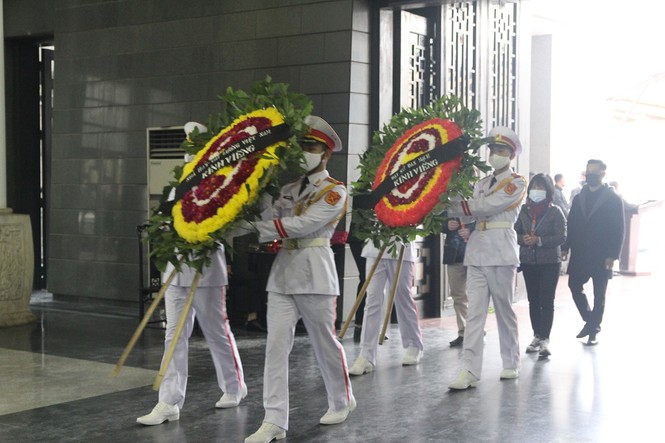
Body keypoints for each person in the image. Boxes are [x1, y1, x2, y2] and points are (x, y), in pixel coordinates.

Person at [244, 116, 355, 443]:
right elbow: (272, 218)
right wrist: (260, 191)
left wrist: (259, 229)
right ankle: (274, 419)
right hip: (282, 275)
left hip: (315, 273)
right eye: (303, 145)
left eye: (312, 146)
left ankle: (341, 399)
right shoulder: (289, 189)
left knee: (324, 343)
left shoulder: (335, 191)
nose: (305, 151)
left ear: (325, 154)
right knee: (275, 347)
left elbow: (303, 225)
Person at [446, 126, 527, 390]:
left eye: (501, 151)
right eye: (492, 150)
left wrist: (458, 207)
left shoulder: (517, 182)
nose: (495, 155)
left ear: (511, 155)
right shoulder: (481, 183)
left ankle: (511, 361)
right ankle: (469, 369)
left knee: (504, 310)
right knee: (475, 313)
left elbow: (486, 207)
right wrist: (451, 188)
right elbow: (469, 212)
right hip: (477, 250)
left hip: (501, 252)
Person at [136, 245, 247, 425]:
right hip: (175, 270)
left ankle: (234, 387)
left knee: (217, 333)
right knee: (173, 336)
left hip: (207, 270)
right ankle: (169, 401)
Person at [562, 159, 624, 346]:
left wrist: (613, 255)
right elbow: (571, 224)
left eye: (594, 172)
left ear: (603, 174)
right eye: (588, 171)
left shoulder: (613, 199)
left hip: (601, 254)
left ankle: (593, 331)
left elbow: (618, 229)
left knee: (599, 294)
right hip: (580, 252)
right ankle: (591, 321)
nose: (590, 175)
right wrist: (565, 246)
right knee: (574, 286)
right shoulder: (579, 198)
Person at [348, 239, 423, 375]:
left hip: (401, 247)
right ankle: (366, 355)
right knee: (371, 300)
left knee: (403, 297)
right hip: (375, 248)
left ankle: (414, 344)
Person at [514, 173, 566, 358]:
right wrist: (524, 239)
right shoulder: (523, 210)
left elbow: (561, 236)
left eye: (541, 187)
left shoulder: (555, 212)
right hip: (529, 261)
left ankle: (545, 339)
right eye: (534, 186)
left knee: (547, 300)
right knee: (533, 301)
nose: (537, 190)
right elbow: (514, 232)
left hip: (550, 261)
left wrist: (540, 240)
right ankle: (536, 335)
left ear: (549, 190)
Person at [442, 216, 476, 347]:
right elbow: (435, 222)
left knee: (477, 296)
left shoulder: (479, 197)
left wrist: (471, 230)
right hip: (454, 255)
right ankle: (463, 332)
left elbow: (486, 221)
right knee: (458, 296)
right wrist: (446, 225)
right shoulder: (449, 200)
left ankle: (476, 331)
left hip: (475, 254)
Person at [347, 219, 367, 343]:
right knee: (367, 280)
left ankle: (363, 326)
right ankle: (361, 326)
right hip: (362, 237)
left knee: (367, 280)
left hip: (364, 236)